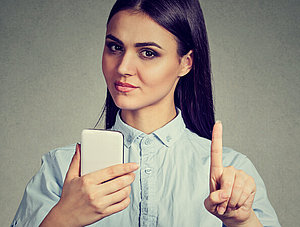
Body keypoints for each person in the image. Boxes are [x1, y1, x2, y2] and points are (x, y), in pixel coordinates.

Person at [11, 0, 281, 226]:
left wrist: (242, 221)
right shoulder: (60, 168)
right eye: (115, 47)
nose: (123, 67)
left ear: (185, 63)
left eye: (148, 52)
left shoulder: (232, 175)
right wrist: (61, 219)